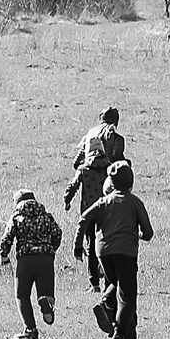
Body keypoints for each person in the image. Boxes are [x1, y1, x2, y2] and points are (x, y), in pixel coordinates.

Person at [81, 160, 153, 339]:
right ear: (131, 182)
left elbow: (84, 218)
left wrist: (77, 243)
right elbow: (148, 233)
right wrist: (137, 234)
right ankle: (119, 337)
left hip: (103, 252)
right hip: (126, 252)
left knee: (117, 282)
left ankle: (105, 303)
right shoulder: (135, 202)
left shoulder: (103, 201)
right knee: (128, 295)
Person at [65, 108, 128, 289]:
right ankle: (107, 274)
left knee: (91, 241)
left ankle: (94, 280)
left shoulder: (89, 135)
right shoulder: (116, 138)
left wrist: (86, 169)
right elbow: (118, 162)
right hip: (108, 200)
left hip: (88, 203)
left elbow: (76, 163)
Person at [0, 191, 61, 339]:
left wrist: (4, 254)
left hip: (25, 260)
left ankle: (30, 329)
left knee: (22, 294)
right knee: (45, 291)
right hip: (46, 259)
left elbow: (7, 236)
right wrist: (50, 249)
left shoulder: (17, 217)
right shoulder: (47, 216)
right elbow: (57, 233)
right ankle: (47, 303)